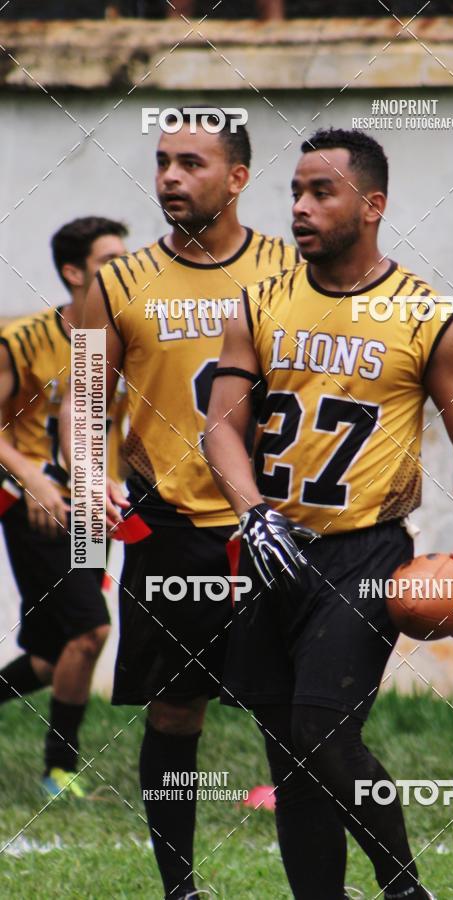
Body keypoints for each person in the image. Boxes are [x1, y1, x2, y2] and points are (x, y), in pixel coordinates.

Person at [205, 127, 453, 900]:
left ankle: (403, 887)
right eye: (294, 192)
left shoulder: (427, 315)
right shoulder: (259, 300)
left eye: (320, 192)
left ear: (372, 205)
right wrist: (253, 512)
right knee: (288, 759)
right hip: (276, 546)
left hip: (364, 554)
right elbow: (219, 426)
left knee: (322, 734)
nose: (299, 207)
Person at [74, 109, 298, 900]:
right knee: (174, 712)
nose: (170, 176)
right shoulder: (116, 283)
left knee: (291, 716)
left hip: (272, 523)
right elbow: (83, 399)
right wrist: (87, 469)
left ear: (237, 178)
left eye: (192, 163)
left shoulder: (290, 270)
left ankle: (318, 883)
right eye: (164, 161)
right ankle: (181, 888)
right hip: (169, 530)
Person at [0, 216, 128, 798]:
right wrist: (29, 476)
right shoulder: (25, 339)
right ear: (74, 272)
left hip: (90, 507)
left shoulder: (128, 336)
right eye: (109, 262)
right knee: (89, 633)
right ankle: (59, 767)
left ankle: (58, 762)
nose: (124, 272)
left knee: (54, 658)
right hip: (35, 504)